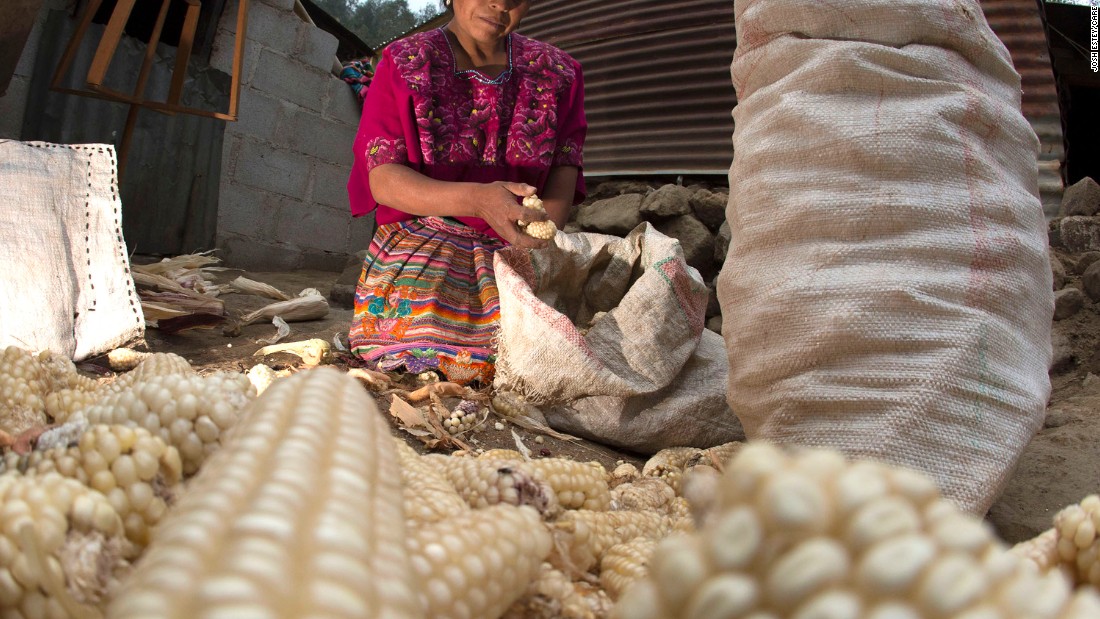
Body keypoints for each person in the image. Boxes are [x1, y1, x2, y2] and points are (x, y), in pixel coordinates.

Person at [346, 0, 587, 385]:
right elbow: (384, 178)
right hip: (424, 243)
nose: (500, 3)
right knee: (436, 345)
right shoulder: (405, 61)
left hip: (516, 250)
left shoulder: (559, 73)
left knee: (556, 351)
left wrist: (536, 238)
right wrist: (477, 199)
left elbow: (563, 170)